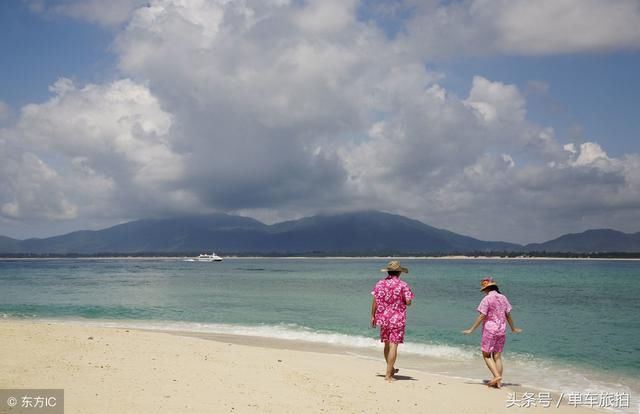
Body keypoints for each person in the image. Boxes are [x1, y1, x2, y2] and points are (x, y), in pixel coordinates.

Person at [463, 277, 522, 388]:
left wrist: (471, 329)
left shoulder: (487, 299)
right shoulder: (503, 297)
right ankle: (498, 383)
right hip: (501, 330)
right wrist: (513, 328)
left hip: (490, 330)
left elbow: (482, 316)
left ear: (486, 289)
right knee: (497, 356)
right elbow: (508, 314)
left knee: (486, 355)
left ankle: (496, 377)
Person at [371, 260, 414, 382]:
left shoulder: (380, 284)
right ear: (399, 272)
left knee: (386, 344)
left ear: (388, 271)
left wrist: (372, 316)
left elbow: (375, 301)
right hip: (397, 318)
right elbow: (408, 302)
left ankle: (391, 369)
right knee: (393, 345)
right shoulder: (403, 285)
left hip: (383, 318)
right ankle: (388, 375)